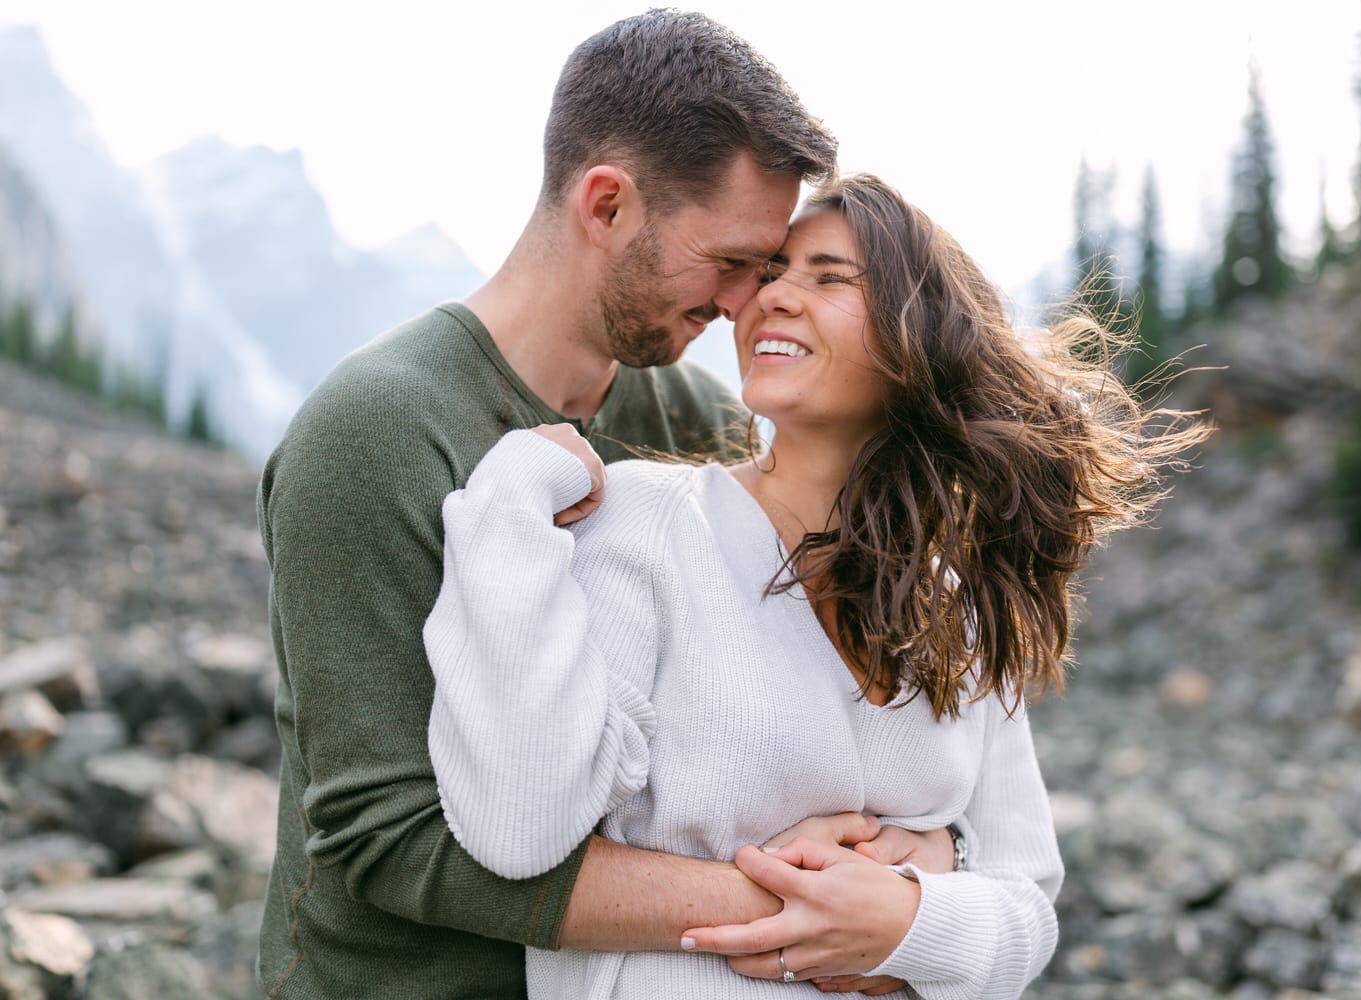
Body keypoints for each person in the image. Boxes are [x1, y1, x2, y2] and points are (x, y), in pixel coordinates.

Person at [424, 174, 1209, 998]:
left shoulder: (955, 602)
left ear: (920, 339)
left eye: (830, 277)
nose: (774, 298)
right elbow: (519, 825)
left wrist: (910, 924)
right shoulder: (645, 525)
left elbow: (1026, 911)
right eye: (767, 273)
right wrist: (512, 493)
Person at [252, 10, 890, 998]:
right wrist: (777, 906)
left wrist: (916, 877)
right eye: (728, 261)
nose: (740, 305)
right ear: (606, 206)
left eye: (759, 269)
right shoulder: (372, 433)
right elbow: (392, 840)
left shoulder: (698, 423)